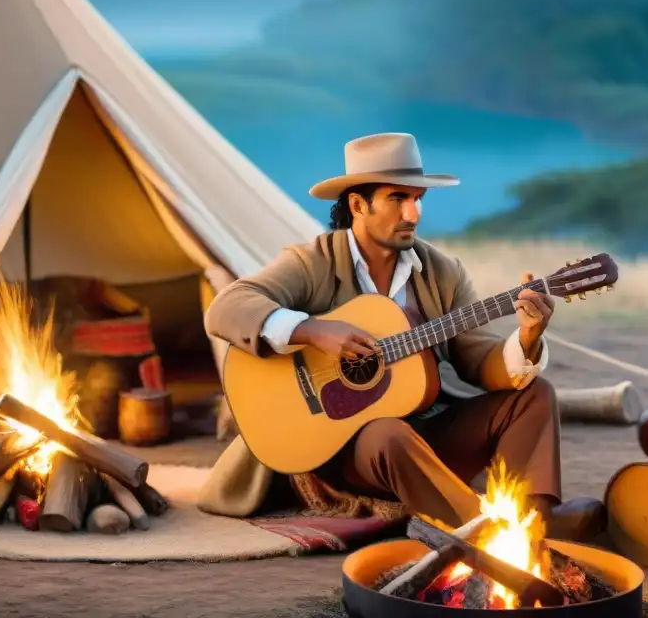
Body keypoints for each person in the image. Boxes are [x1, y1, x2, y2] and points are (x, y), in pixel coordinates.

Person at [204, 132, 606, 540]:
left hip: (427, 433)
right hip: (341, 450)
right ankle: (484, 533)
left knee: (535, 394)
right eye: (398, 198)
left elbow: (478, 359)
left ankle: (535, 518)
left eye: (418, 199)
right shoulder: (313, 262)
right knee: (388, 433)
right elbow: (227, 307)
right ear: (358, 205)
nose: (413, 213)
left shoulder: (443, 272)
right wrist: (313, 331)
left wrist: (528, 337)